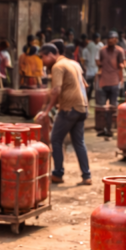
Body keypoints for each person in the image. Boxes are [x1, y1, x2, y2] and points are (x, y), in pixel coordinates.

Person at [34, 43, 91, 185]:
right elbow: (84, 85)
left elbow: (56, 90)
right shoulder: (74, 64)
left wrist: (47, 111)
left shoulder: (57, 67)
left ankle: (58, 173)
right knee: (79, 142)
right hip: (82, 107)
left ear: (50, 54)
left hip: (69, 108)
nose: (43, 61)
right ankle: (86, 175)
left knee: (56, 139)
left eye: (43, 57)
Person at [97, 31, 126, 137]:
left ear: (116, 40)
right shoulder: (102, 51)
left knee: (113, 107)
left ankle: (110, 128)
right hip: (104, 81)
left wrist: (122, 67)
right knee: (102, 107)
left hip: (114, 81)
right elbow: (99, 62)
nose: (111, 40)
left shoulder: (119, 51)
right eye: (109, 38)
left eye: (113, 38)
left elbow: (123, 63)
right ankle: (102, 128)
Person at [79, 33, 101, 99]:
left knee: (95, 85)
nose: (99, 40)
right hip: (89, 68)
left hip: (96, 68)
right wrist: (84, 67)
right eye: (98, 38)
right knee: (89, 84)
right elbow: (83, 60)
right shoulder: (87, 48)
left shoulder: (100, 45)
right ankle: (87, 97)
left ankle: (90, 97)